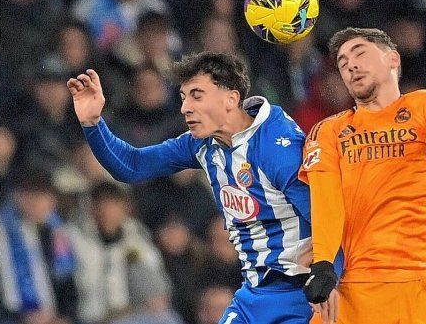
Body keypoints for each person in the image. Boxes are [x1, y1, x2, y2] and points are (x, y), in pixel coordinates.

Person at [67, 52, 314, 323]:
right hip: (255, 294)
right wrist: (93, 123)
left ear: (231, 99)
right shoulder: (203, 143)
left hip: (301, 292)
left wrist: (330, 281)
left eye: (197, 95)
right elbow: (132, 165)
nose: (185, 107)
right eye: (183, 97)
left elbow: (324, 217)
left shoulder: (278, 146)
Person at [299, 28, 426, 324]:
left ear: (392, 59)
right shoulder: (328, 131)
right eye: (342, 63)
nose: (351, 65)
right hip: (355, 289)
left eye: (360, 54)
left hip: (419, 285)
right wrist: (323, 263)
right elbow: (326, 201)